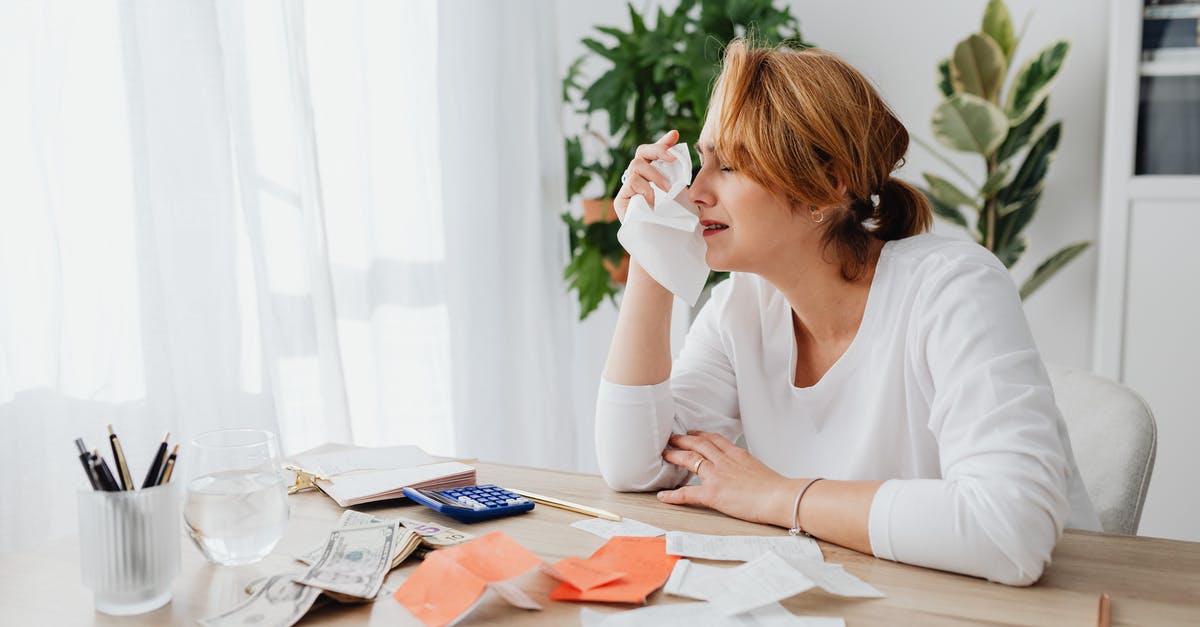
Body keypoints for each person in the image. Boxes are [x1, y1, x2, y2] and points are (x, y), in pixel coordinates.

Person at [595, 40, 1100, 587]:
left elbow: (1012, 532)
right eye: (703, 161)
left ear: (829, 185)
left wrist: (777, 495)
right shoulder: (740, 309)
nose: (694, 193)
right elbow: (638, 466)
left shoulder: (953, 288)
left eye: (732, 166)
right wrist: (650, 248)